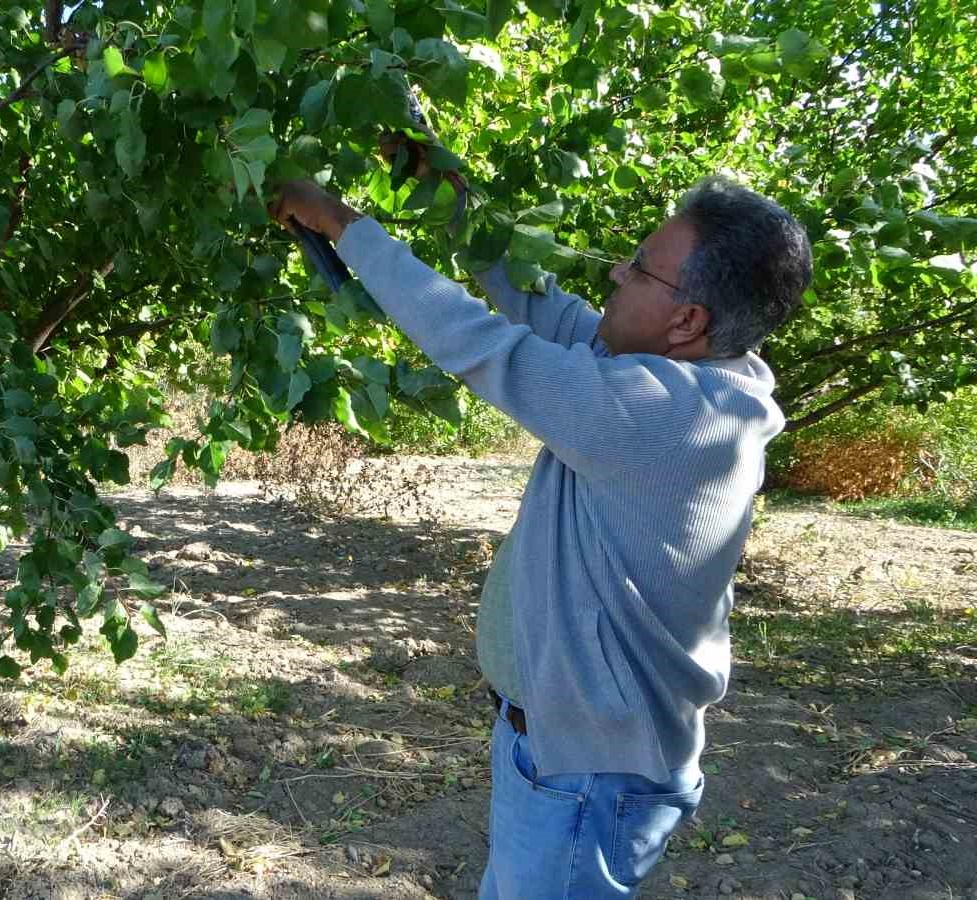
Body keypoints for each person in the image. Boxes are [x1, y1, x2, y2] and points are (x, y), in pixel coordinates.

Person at [271, 174, 812, 898]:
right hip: (564, 751)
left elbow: (485, 344)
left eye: (640, 267)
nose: (618, 273)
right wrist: (441, 180)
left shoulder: (666, 416)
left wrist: (345, 224)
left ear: (686, 320)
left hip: (587, 771)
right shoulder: (669, 375)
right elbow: (538, 305)